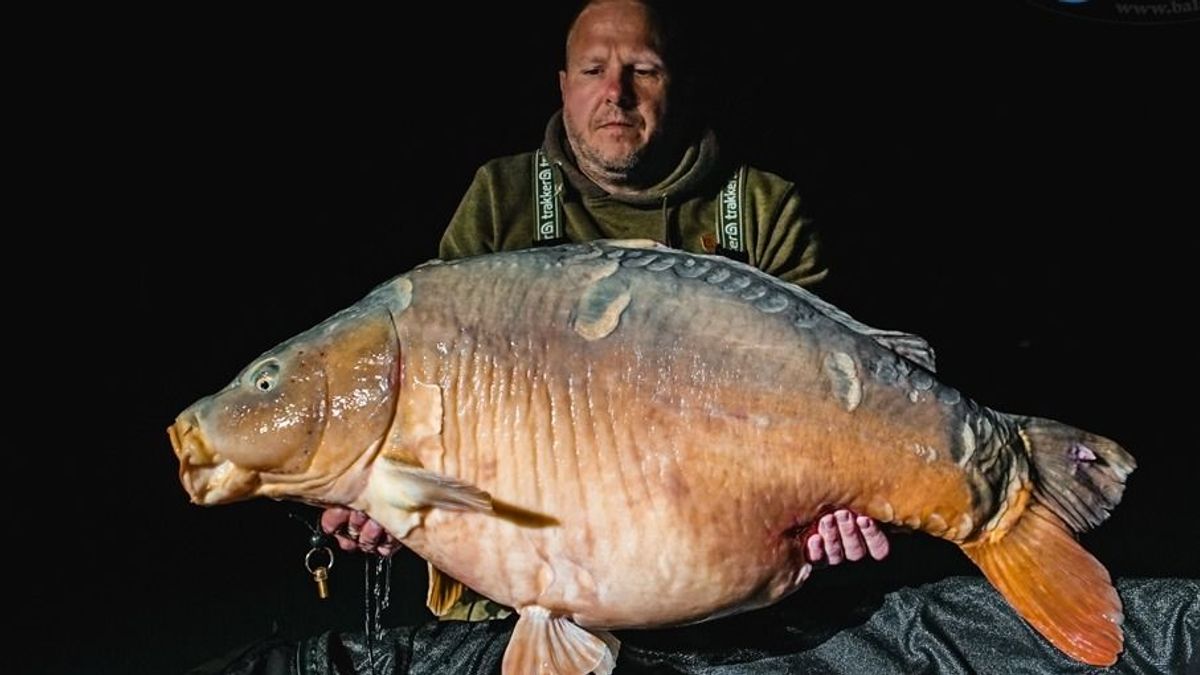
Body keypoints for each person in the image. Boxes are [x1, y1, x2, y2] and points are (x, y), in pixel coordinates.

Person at [322, 0, 888, 601]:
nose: (615, 92)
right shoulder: (502, 198)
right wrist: (383, 501)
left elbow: (833, 399)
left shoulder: (759, 206)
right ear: (565, 87)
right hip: (528, 566)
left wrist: (836, 506)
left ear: (678, 82)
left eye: (642, 69)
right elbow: (439, 396)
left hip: (708, 559)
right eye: (593, 71)